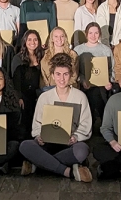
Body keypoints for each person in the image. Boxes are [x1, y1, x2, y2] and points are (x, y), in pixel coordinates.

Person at [19, 53, 93, 183]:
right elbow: (37, 124)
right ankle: (67, 171)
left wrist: (76, 137)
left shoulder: (80, 96)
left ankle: (39, 163)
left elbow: (86, 125)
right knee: (25, 146)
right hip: (47, 143)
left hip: (70, 144)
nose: (62, 79)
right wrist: (38, 136)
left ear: (70, 75)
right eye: (58, 74)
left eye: (65, 74)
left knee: (82, 150)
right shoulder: (44, 97)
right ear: (52, 75)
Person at [74, 23, 115, 122]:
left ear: (100, 34)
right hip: (84, 84)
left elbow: (112, 69)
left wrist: (109, 81)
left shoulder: (106, 50)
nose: (93, 36)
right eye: (90, 33)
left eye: (96, 33)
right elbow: (75, 71)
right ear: (86, 34)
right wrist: (82, 81)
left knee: (98, 93)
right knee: (91, 94)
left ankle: (102, 123)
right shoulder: (78, 50)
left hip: (102, 85)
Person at [12, 30, 44, 137]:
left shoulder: (43, 56)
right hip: (24, 96)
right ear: (25, 41)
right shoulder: (18, 58)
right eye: (29, 39)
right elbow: (15, 80)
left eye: (35, 39)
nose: (32, 42)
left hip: (39, 94)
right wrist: (19, 97)